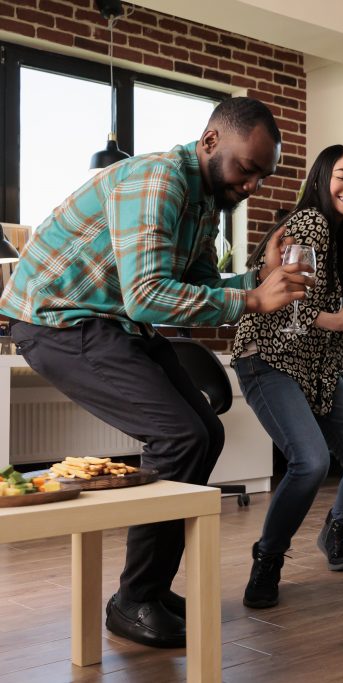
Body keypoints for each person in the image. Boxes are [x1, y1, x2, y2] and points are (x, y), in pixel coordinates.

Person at [0, 97, 309, 648]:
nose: (253, 185)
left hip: (108, 320)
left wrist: (255, 282)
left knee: (204, 434)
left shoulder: (205, 205)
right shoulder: (160, 181)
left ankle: (149, 590)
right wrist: (256, 302)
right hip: (54, 319)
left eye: (264, 174)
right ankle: (133, 600)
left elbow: (201, 291)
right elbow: (147, 297)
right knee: (178, 434)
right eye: (247, 168)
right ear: (211, 142)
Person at [232, 145, 343, 609]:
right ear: (321, 179)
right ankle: (268, 559)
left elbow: (325, 321)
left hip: (313, 367)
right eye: (342, 176)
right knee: (310, 461)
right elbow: (289, 307)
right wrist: (340, 324)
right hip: (268, 359)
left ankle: (336, 530)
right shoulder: (309, 224)